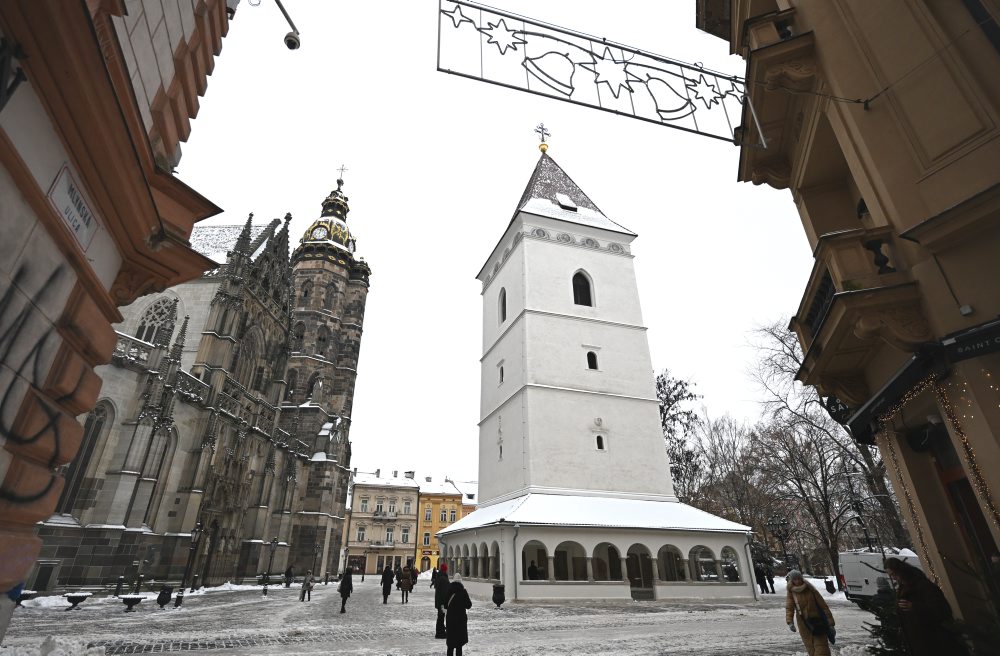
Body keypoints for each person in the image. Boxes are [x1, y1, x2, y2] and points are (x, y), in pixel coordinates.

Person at [884, 557, 966, 656]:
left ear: (901, 571)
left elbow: (943, 611)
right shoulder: (903, 589)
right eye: (891, 575)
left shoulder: (923, 586)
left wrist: (914, 607)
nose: (893, 578)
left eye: (894, 574)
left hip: (935, 640)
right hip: (919, 641)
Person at [785, 570, 835, 656]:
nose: (797, 581)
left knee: (822, 648)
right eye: (795, 579)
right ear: (792, 581)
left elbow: (823, 606)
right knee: (810, 648)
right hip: (804, 624)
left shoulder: (810, 589)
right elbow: (789, 608)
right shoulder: (791, 593)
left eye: (798, 578)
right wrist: (790, 622)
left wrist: (831, 623)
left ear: (801, 578)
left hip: (817, 621)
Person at [445, 579, 472, 656]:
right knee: (459, 645)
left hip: (450, 620)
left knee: (450, 645)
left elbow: (445, 604)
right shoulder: (463, 592)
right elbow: (469, 605)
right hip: (460, 621)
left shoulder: (449, 590)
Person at [434, 563, 450, 639]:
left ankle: (439, 632)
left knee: (440, 617)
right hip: (442, 602)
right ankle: (440, 633)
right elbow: (445, 592)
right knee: (441, 617)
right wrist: (445, 603)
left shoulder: (439, 577)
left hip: (439, 601)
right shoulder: (443, 579)